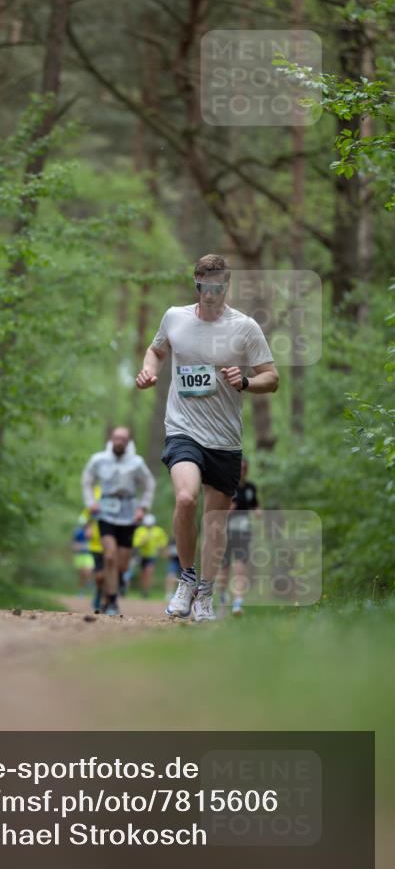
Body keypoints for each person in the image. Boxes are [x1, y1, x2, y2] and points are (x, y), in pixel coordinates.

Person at [136, 254, 278, 622]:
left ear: (226, 286)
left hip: (225, 439)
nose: (211, 294)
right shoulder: (175, 317)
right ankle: (186, 578)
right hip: (182, 427)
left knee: (215, 522)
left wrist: (245, 381)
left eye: (218, 287)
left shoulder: (245, 328)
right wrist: (149, 371)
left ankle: (206, 593)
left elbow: (272, 377)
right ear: (196, 284)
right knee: (185, 498)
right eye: (205, 287)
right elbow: (157, 349)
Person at [81, 426, 156, 616]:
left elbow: (149, 485)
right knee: (109, 556)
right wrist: (91, 503)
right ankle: (112, 601)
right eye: (116, 438)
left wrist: (142, 508)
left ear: (128, 441)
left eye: (123, 439)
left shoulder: (137, 462)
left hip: (129, 514)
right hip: (105, 512)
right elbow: (87, 480)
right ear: (111, 439)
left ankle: (113, 586)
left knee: (122, 564)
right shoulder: (99, 460)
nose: (119, 441)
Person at [216, 457, 261, 616]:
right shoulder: (228, 486)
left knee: (240, 567)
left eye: (245, 469)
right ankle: (222, 599)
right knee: (224, 568)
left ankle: (238, 602)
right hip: (226, 532)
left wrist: (259, 512)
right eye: (240, 468)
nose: (242, 471)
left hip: (243, 532)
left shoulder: (251, 488)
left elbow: (255, 505)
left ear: (247, 470)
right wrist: (229, 510)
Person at [132, 514, 168, 597]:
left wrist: (161, 547)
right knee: (142, 574)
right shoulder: (139, 531)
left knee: (149, 572)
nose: (148, 527)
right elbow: (135, 543)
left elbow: (163, 542)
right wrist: (142, 541)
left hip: (152, 555)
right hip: (141, 555)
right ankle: (143, 590)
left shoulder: (159, 531)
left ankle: (146, 591)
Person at [71, 516, 95, 595]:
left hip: (89, 555)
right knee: (81, 574)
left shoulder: (93, 531)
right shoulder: (78, 532)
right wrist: (80, 546)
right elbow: (74, 544)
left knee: (88, 570)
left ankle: (89, 582)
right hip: (79, 555)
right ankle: (81, 591)